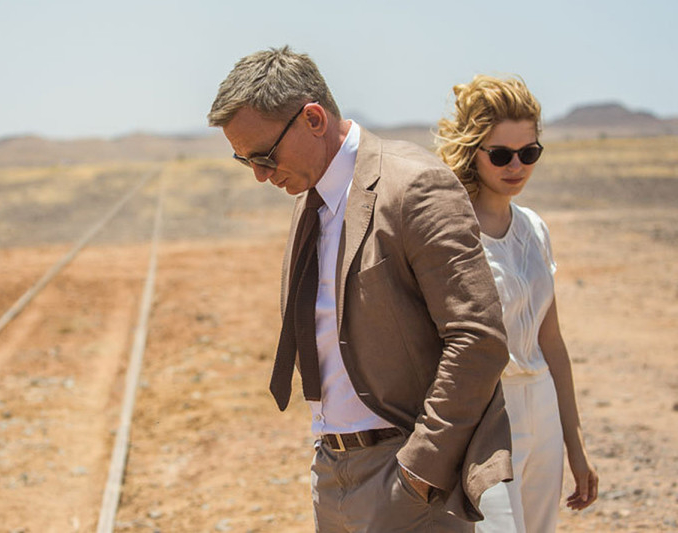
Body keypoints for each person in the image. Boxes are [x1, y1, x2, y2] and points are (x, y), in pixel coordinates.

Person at [208, 46, 513, 532]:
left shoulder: (412, 186)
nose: (262, 176)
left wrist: (420, 469)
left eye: (265, 156)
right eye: (246, 163)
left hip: (407, 479)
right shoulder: (311, 197)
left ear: (312, 119)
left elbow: (479, 338)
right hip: (332, 472)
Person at [436, 74, 599, 532]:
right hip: (486, 413)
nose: (517, 166)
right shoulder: (451, 232)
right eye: (502, 154)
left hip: (542, 405)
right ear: (473, 150)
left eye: (529, 153)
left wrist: (576, 446)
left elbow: (553, 343)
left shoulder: (534, 229)